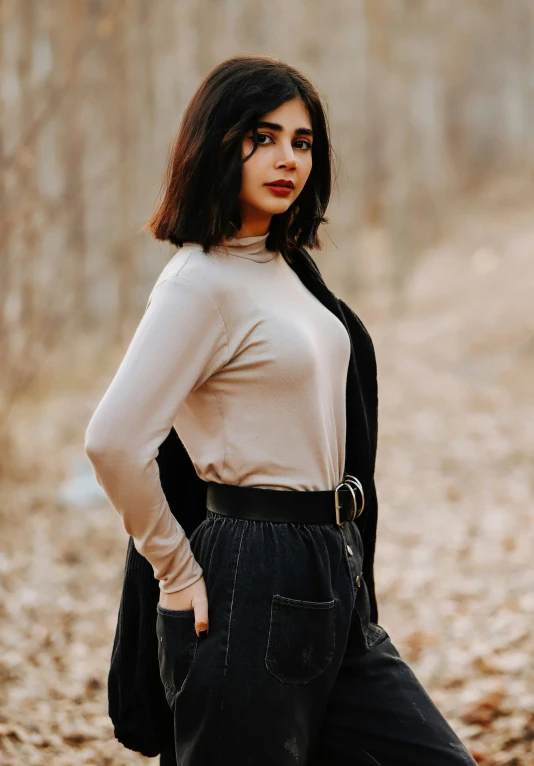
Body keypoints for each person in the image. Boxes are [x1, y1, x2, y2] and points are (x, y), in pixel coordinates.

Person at [84, 55, 477, 766]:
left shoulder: (285, 266)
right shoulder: (199, 283)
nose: (286, 158)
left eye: (302, 142)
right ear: (215, 141)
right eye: (262, 137)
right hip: (250, 568)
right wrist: (175, 570)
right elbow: (113, 441)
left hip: (332, 563)